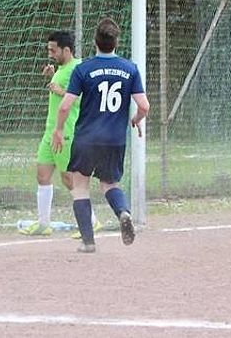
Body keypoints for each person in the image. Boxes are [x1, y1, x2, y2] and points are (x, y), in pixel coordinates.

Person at [52, 17, 150, 253]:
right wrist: (136, 119)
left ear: (95, 41)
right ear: (116, 42)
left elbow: (65, 106)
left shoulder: (83, 69)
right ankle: (123, 212)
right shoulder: (130, 69)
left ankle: (88, 242)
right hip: (115, 139)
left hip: (87, 138)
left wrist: (58, 130)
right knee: (109, 184)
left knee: (80, 186)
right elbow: (144, 106)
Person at [19, 30, 100, 236]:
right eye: (49, 50)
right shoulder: (63, 68)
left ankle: (91, 222)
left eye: (53, 50)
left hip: (67, 133)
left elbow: (86, 100)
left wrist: (60, 91)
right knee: (42, 175)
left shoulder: (79, 69)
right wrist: (53, 75)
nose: (50, 54)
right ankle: (43, 224)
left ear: (66, 50)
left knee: (69, 179)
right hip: (51, 132)